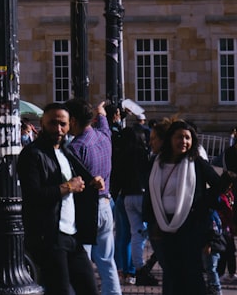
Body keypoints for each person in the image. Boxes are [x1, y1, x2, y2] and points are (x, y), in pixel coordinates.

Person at [17, 102, 100, 295]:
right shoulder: (32, 154)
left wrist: (93, 182)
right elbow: (33, 195)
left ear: (70, 124)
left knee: (89, 288)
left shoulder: (66, 151)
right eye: (52, 123)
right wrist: (67, 187)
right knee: (59, 290)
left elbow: (81, 181)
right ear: (42, 123)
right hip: (49, 235)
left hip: (72, 234)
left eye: (63, 123)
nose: (58, 129)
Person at [144, 119, 234, 295]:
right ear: (170, 139)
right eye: (179, 137)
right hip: (163, 226)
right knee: (171, 273)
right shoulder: (156, 162)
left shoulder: (197, 163)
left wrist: (201, 200)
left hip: (190, 226)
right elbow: (149, 194)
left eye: (188, 138)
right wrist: (151, 221)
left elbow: (218, 186)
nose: (183, 142)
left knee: (192, 273)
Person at [64, 98, 121, 295]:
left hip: (87, 208)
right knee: (107, 261)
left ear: (73, 120)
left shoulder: (75, 148)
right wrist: (101, 112)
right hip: (106, 204)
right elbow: (104, 122)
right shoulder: (104, 136)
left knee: (83, 260)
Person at [110, 125, 151, 286]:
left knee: (123, 236)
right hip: (141, 195)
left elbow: (116, 178)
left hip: (124, 196)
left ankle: (124, 270)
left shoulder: (121, 154)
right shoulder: (144, 154)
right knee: (139, 235)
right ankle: (136, 268)